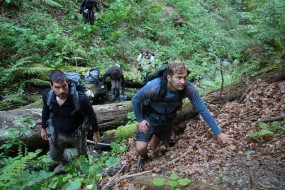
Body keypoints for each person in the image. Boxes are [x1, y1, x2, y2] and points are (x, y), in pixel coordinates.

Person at [132, 60, 234, 167]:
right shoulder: (154, 86)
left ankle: (153, 151)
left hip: (169, 118)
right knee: (141, 148)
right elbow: (135, 100)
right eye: (178, 78)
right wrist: (140, 120)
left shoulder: (188, 88)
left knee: (157, 139)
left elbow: (202, 109)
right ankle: (144, 157)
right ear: (169, 77)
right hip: (150, 117)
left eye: (184, 78)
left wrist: (219, 134)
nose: (183, 82)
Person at [41, 70, 100, 173]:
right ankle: (66, 163)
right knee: (55, 156)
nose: (62, 91)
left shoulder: (80, 98)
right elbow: (45, 110)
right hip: (57, 133)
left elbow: (91, 114)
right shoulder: (47, 96)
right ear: (51, 86)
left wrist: (96, 133)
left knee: (83, 154)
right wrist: (43, 128)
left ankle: (84, 169)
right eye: (57, 87)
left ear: (67, 82)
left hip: (77, 133)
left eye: (64, 86)